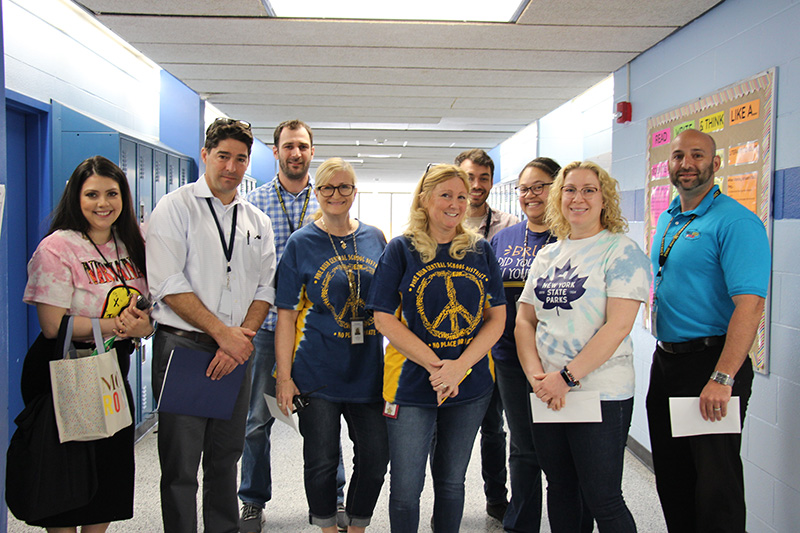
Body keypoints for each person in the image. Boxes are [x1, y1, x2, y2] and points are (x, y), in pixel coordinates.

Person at [146, 118, 277, 533]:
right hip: (184, 350)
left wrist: (237, 341)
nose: (232, 167)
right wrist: (223, 334)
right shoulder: (176, 206)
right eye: (223, 156)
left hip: (236, 352)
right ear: (206, 155)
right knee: (181, 465)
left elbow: (266, 287)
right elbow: (167, 283)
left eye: (241, 159)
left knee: (226, 458)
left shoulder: (257, 220)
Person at [367, 163, 506, 533]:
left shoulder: (479, 250)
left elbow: (497, 319)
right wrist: (438, 366)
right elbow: (383, 317)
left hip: (470, 384)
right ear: (425, 200)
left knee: (451, 481)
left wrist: (459, 367)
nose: (455, 203)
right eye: (445, 195)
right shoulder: (401, 249)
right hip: (411, 384)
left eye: (461, 196)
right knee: (406, 487)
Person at [515, 161, 651, 532]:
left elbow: (618, 325)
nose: (578, 198)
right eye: (570, 190)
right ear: (558, 199)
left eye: (589, 190)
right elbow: (524, 320)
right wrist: (537, 378)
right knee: (560, 488)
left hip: (600, 393)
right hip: (548, 392)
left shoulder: (621, 252)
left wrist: (566, 377)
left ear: (604, 199)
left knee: (603, 498)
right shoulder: (547, 255)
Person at [646, 129, 770, 533]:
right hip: (667, 362)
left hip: (710, 365)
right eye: (678, 155)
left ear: (715, 165)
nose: (686, 164)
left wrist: (723, 377)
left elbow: (750, 305)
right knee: (674, 475)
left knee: (716, 486)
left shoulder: (736, 222)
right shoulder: (668, 217)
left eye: (697, 155)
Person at [21, 155, 153, 532]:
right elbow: (52, 326)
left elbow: (147, 308)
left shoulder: (133, 243)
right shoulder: (57, 248)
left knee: (108, 475)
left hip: (111, 370)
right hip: (66, 370)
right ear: (76, 198)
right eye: (92, 194)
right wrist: (116, 323)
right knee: (66, 477)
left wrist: (141, 327)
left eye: (112, 193)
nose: (103, 203)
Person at [275, 158, 389, 533]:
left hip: (368, 371)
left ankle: (356, 525)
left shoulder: (375, 238)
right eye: (327, 188)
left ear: (355, 192)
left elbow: (389, 304)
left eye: (344, 187)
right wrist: (284, 378)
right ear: (317, 192)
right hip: (317, 371)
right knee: (321, 460)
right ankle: (326, 527)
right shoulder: (301, 242)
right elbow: (287, 316)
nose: (335, 195)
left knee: (375, 457)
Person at [238, 118, 320, 532]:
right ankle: (252, 499)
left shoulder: (326, 202)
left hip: (315, 331)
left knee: (321, 416)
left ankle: (329, 497)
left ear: (311, 151)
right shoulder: (252, 204)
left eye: (303, 146)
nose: (296, 153)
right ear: (275, 151)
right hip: (267, 326)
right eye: (288, 146)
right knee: (257, 419)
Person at [488, 157, 559, 533]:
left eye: (540, 186)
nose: (531, 195)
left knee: (563, 447)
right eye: (525, 188)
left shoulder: (571, 236)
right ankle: (522, 523)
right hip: (510, 358)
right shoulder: (504, 239)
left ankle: (570, 518)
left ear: (559, 188)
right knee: (523, 446)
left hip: (559, 361)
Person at [454, 148, 518, 520]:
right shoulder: (443, 222)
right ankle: (450, 499)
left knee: (494, 427)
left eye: (483, 178)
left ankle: (497, 498)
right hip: (451, 342)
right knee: (444, 431)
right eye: (469, 177)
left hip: (496, 343)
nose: (476, 185)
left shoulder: (509, 226)